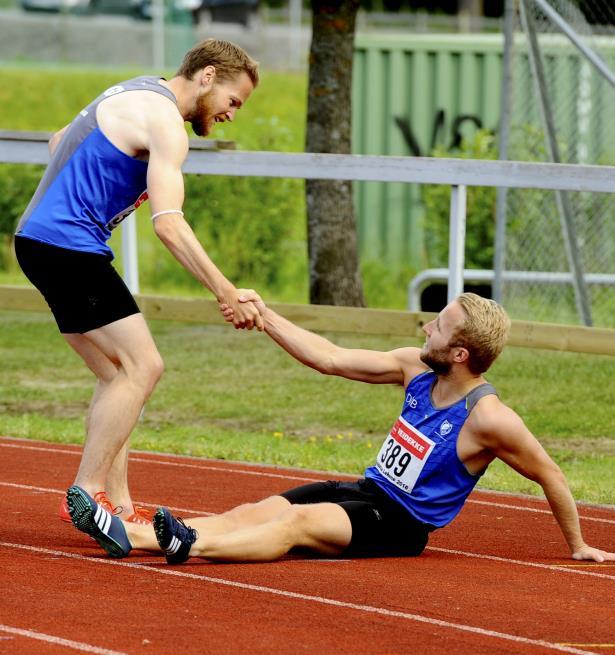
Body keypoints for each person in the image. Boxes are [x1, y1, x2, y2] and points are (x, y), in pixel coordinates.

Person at [66, 291, 614, 563]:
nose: (426, 327)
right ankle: (129, 534)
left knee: (296, 525)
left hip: (399, 526)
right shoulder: (417, 368)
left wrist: (579, 546)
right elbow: (328, 357)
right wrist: (267, 316)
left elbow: (552, 476)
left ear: (462, 352)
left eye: (438, 326)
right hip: (367, 491)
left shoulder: (491, 418)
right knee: (258, 510)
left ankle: (193, 547)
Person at [14, 39, 264, 526]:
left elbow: (59, 139)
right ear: (207, 76)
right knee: (143, 365)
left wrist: (97, 183)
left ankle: (120, 506)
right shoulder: (168, 125)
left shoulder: (132, 93)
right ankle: (88, 491)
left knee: (117, 376)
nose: (234, 113)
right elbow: (169, 223)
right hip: (68, 247)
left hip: (38, 241)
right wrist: (225, 291)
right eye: (234, 101)